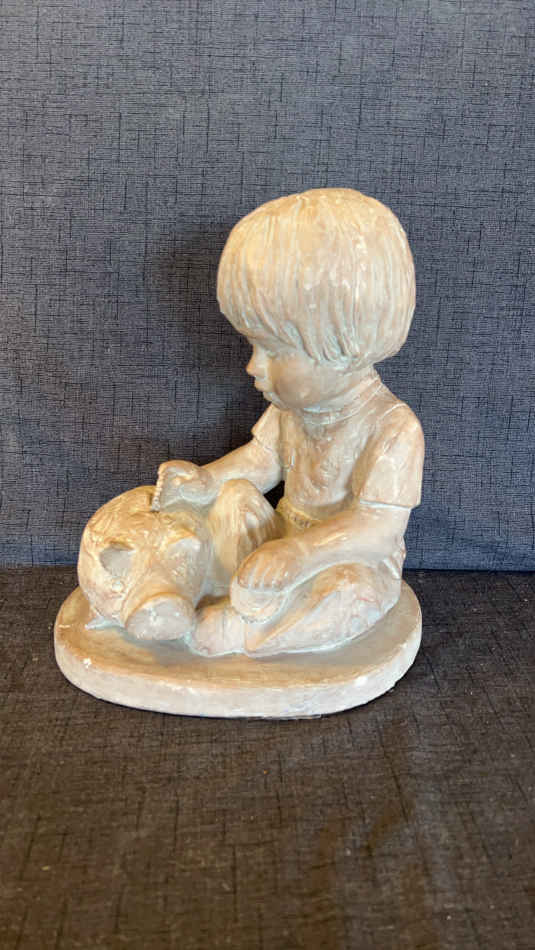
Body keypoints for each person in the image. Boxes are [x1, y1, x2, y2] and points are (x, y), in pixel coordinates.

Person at [149, 187, 425, 656]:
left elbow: (378, 527)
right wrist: (206, 481)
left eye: (273, 350)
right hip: (280, 543)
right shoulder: (290, 409)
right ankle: (225, 597)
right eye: (253, 346)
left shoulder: (393, 428)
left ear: (343, 345)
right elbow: (261, 461)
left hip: (343, 558)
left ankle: (251, 632)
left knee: (349, 593)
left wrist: (301, 554)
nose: (253, 366)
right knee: (234, 500)